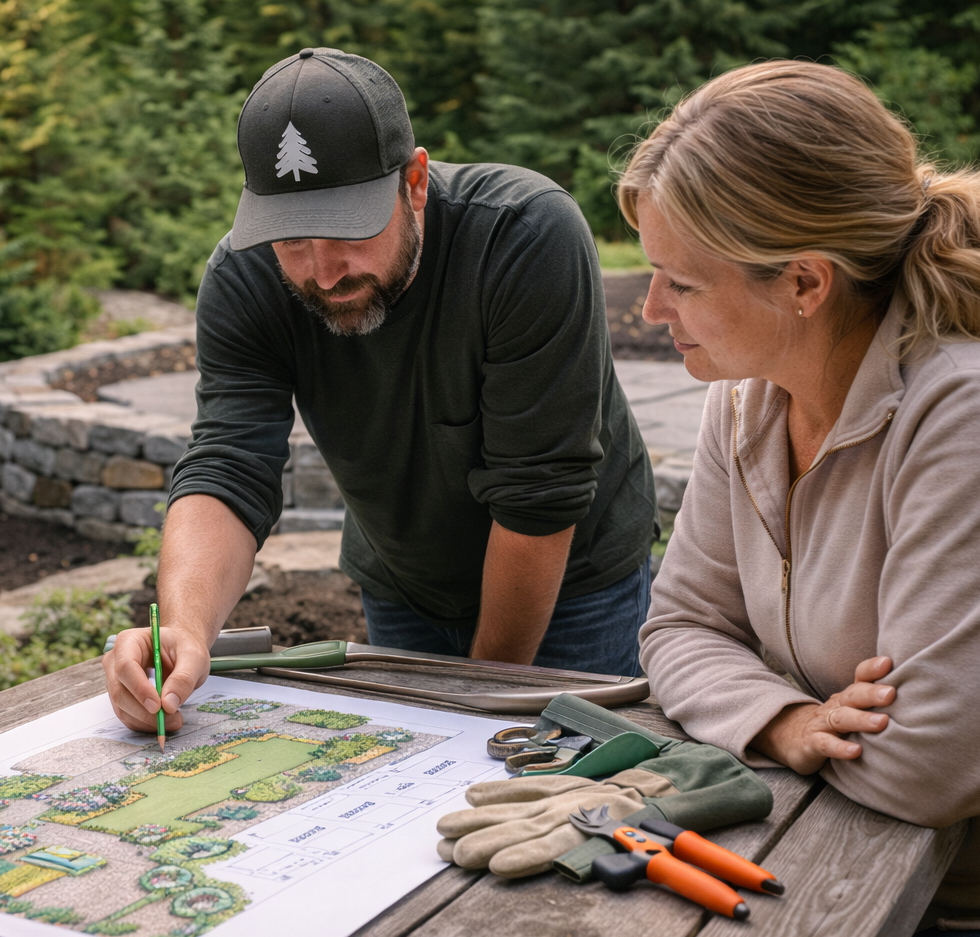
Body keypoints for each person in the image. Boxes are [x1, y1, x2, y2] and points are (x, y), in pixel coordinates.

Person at [628, 61, 980, 937]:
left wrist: (755, 704)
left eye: (681, 280)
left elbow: (932, 768)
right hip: (864, 871)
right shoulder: (748, 401)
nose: (651, 309)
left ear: (805, 281)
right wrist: (788, 721)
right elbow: (678, 628)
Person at [103, 48, 657, 732]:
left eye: (347, 231)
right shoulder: (243, 279)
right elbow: (227, 465)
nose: (324, 273)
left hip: (575, 583)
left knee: (572, 804)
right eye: (292, 240)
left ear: (415, 181)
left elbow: (539, 496)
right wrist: (185, 629)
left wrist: (475, 698)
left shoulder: (524, 237)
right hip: (403, 582)